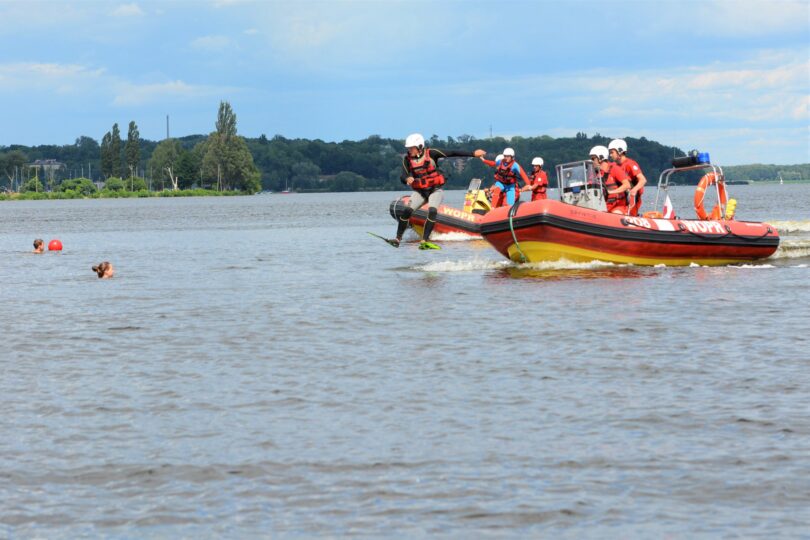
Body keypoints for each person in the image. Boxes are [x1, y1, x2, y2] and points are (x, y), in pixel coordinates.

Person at [392, 133, 486, 247]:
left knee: (432, 211)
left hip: (434, 190)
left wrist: (473, 154)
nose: (409, 150)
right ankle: (397, 239)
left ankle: (425, 240)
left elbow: (452, 153)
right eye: (408, 148)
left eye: (411, 148)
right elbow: (403, 176)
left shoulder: (432, 153)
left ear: (420, 147)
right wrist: (407, 178)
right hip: (420, 192)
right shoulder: (407, 159)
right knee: (407, 211)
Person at [609, 139, 647, 216]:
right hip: (619, 199)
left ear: (619, 151)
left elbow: (643, 180)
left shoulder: (630, 164)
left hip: (631, 198)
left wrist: (634, 190)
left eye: (612, 152)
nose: (610, 155)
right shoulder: (613, 166)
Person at [590, 145, 631, 214]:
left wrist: (611, 192)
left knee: (616, 214)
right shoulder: (594, 174)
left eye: (593, 159)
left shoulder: (614, 169)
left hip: (618, 206)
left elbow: (627, 185)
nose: (591, 161)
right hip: (602, 206)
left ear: (601, 158)